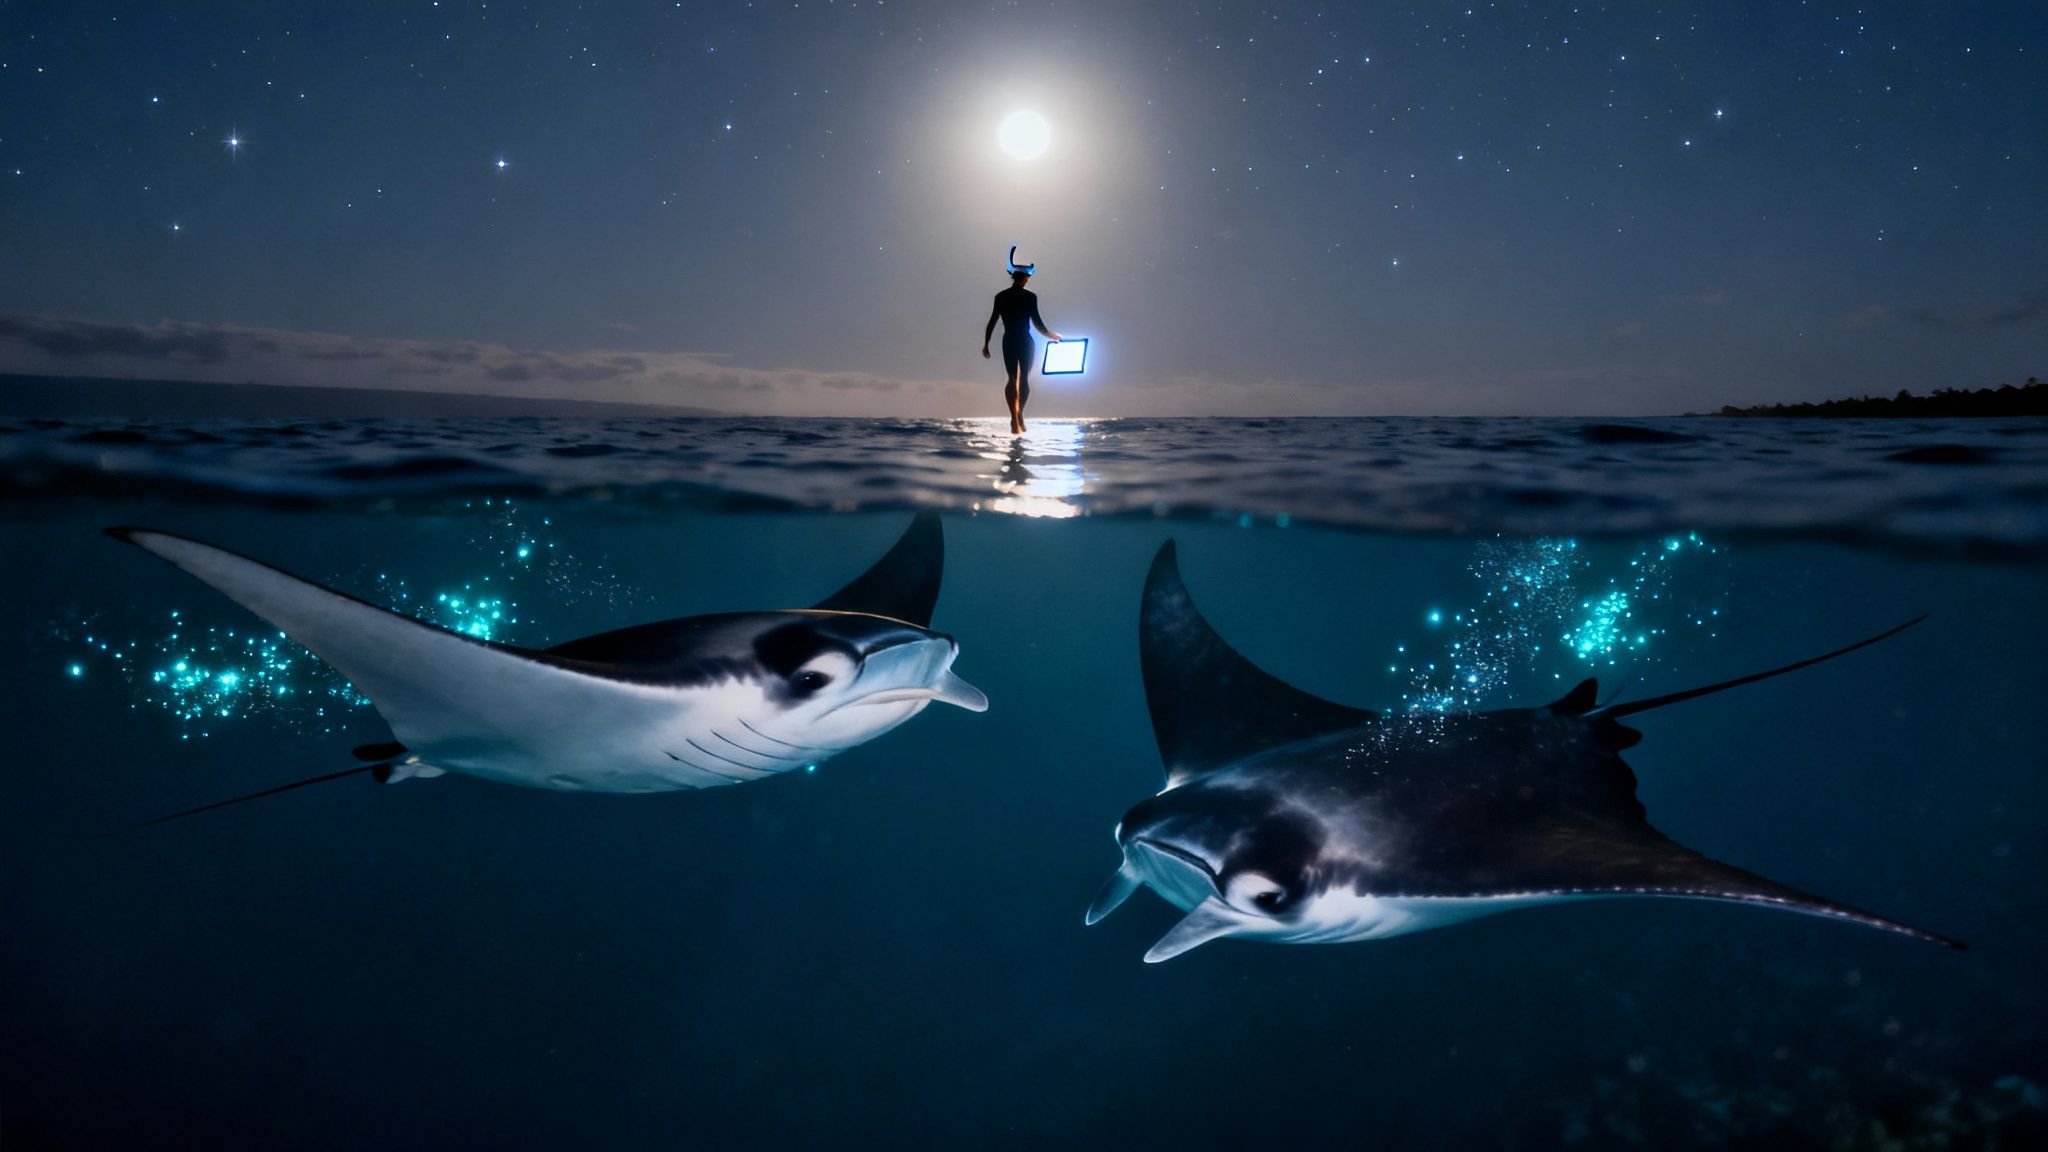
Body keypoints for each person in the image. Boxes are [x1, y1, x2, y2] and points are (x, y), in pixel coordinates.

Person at [981, 246, 1061, 434]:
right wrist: (1051, 335)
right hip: (1024, 340)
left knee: (1012, 378)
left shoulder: (1001, 297)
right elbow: (1038, 323)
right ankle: (1018, 415)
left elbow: (992, 322)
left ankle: (1015, 417)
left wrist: (986, 343)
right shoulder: (1029, 297)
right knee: (1023, 378)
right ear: (1023, 278)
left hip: (1009, 339)